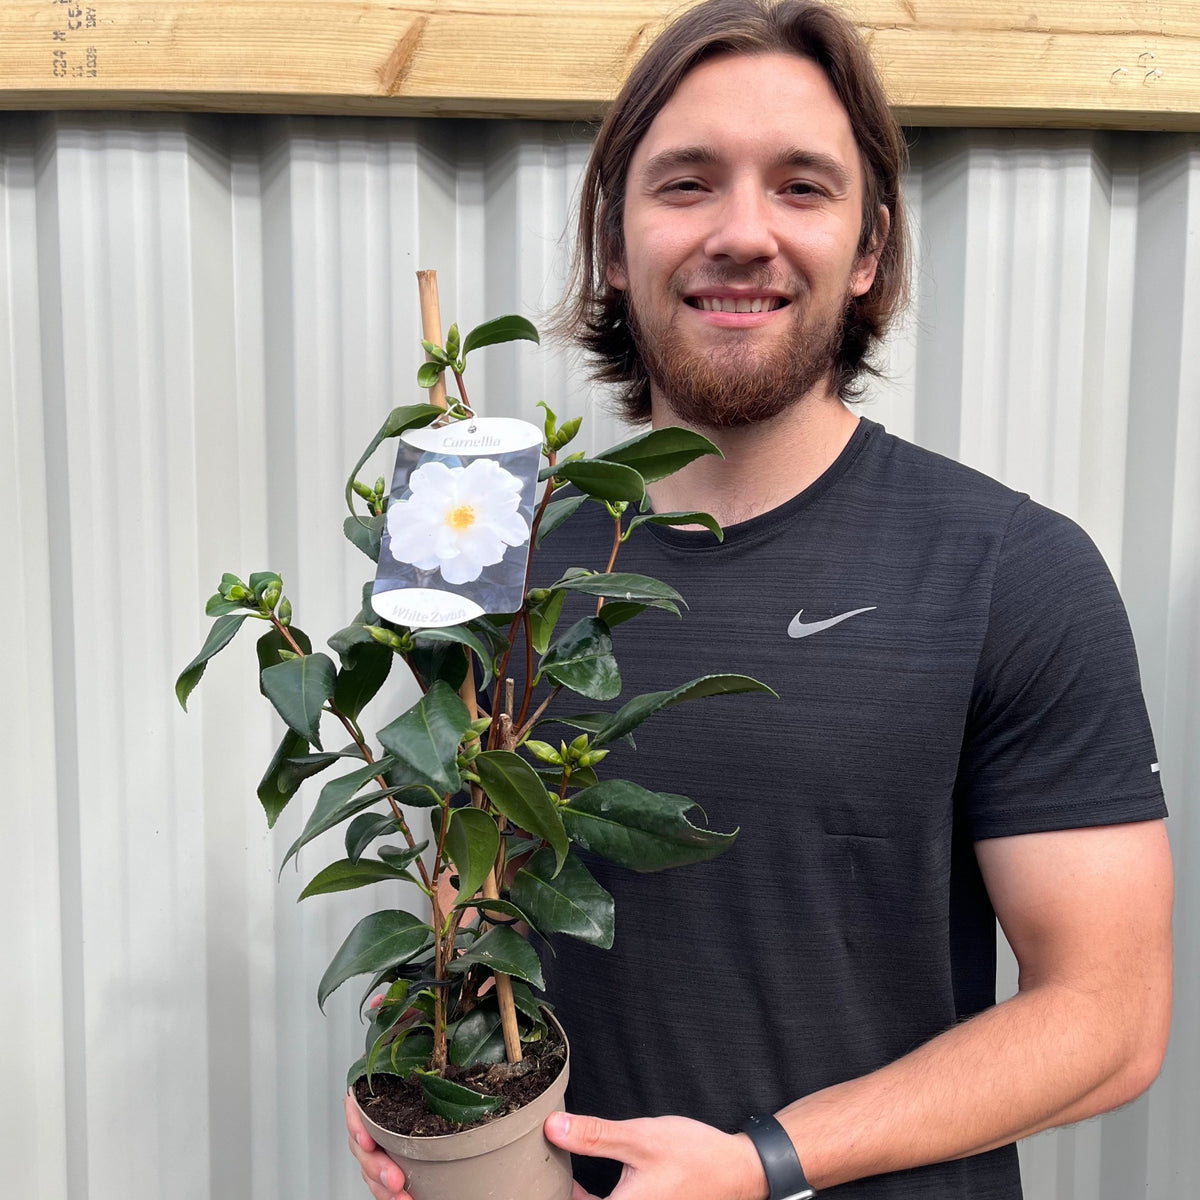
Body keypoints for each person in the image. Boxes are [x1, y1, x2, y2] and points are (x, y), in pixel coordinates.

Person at [347, 1, 1173, 1196]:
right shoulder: (482, 554)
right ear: (613, 244)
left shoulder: (1010, 571)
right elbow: (460, 907)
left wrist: (764, 1163)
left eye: (801, 187)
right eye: (688, 183)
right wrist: (415, 1068)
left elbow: (1110, 1016)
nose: (743, 233)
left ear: (869, 249)